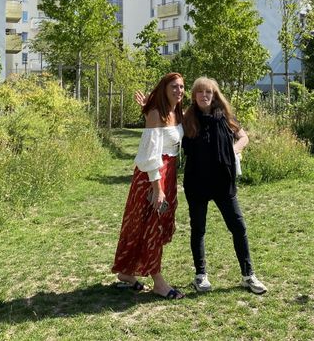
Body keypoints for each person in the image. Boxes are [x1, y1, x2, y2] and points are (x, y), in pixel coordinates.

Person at [181, 77, 268, 295]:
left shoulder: (225, 117)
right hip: (197, 183)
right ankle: (200, 276)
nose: (204, 95)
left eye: (208, 92)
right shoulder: (187, 118)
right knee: (198, 229)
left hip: (223, 182)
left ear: (215, 94)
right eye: (200, 92)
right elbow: (164, 127)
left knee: (238, 226)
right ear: (194, 96)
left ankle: (249, 275)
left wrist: (234, 149)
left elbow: (243, 137)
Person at [111, 72, 186, 299]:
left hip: (168, 174)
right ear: (164, 89)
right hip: (153, 177)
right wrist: (157, 188)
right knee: (153, 225)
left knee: (144, 224)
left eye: (182, 87)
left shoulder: (174, 112)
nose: (179, 91)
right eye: (174, 87)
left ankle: (126, 273)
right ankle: (158, 281)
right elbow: (151, 153)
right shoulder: (157, 114)